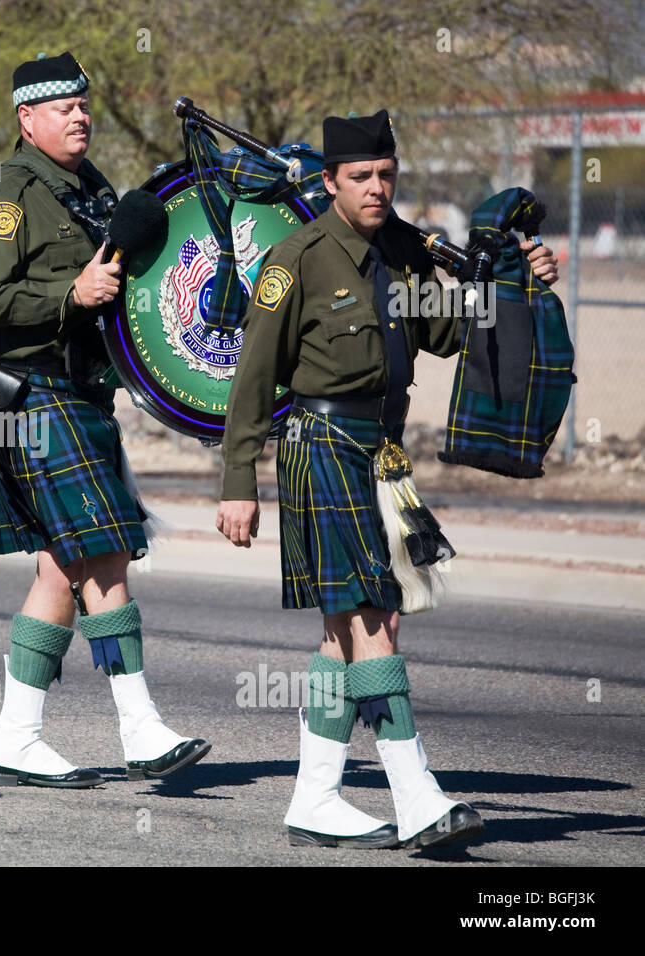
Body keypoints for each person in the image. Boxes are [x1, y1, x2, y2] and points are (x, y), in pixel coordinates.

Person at [215, 110, 558, 848]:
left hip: (381, 448)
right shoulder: (295, 259)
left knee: (357, 629)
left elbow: (446, 333)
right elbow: (253, 376)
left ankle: (315, 797)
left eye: (386, 175)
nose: (377, 188)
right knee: (370, 614)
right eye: (361, 177)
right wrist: (238, 479)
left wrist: (514, 283)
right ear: (331, 182)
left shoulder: (403, 252)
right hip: (319, 442)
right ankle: (418, 794)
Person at [0, 51, 209, 788]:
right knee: (104, 554)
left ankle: (15, 736)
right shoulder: (5, 193)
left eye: (83, 104)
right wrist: (71, 293)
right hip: (32, 394)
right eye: (61, 106)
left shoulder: (90, 188)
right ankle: (141, 727)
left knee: (65, 569)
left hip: (83, 395)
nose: (79, 115)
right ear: (26, 119)